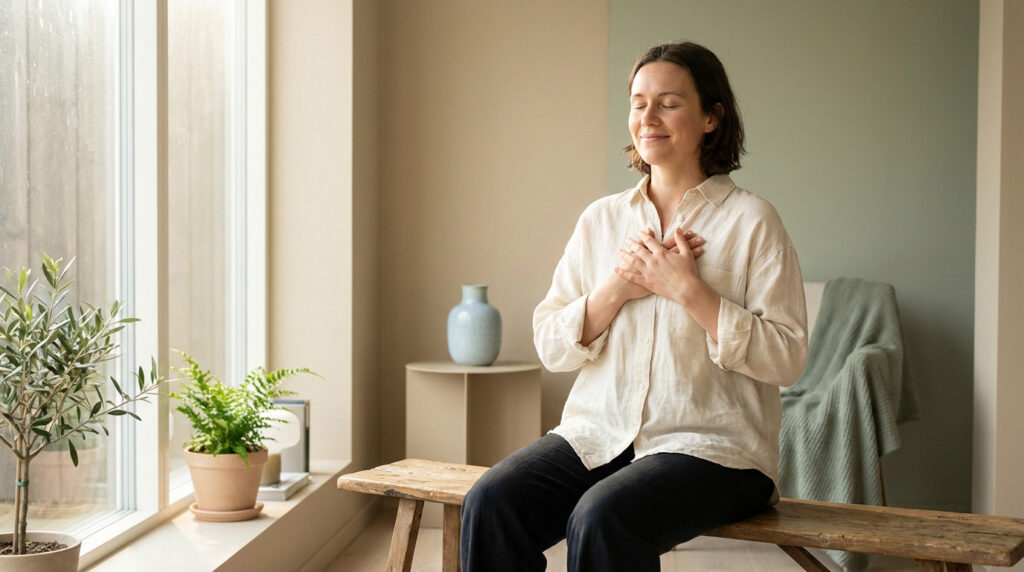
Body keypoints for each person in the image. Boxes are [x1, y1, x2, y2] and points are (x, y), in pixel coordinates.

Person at [460, 41, 808, 572]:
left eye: (668, 102)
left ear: (712, 116)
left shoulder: (753, 221)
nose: (648, 117)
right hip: (597, 432)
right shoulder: (600, 221)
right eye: (638, 102)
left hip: (716, 451)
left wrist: (688, 290)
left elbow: (786, 357)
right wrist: (617, 289)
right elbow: (552, 345)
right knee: (490, 502)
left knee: (602, 517)